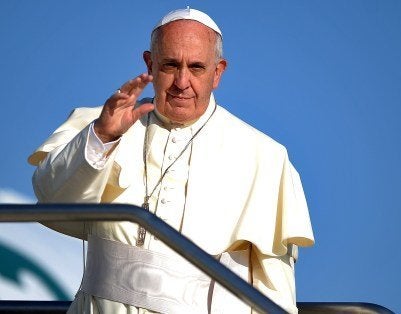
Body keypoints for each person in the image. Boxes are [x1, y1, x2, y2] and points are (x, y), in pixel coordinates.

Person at [28, 7, 314, 314]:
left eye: (196, 68)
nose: (181, 81)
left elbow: (275, 286)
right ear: (150, 64)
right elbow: (52, 197)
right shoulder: (103, 125)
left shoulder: (264, 157)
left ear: (217, 72)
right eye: (170, 65)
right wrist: (103, 137)